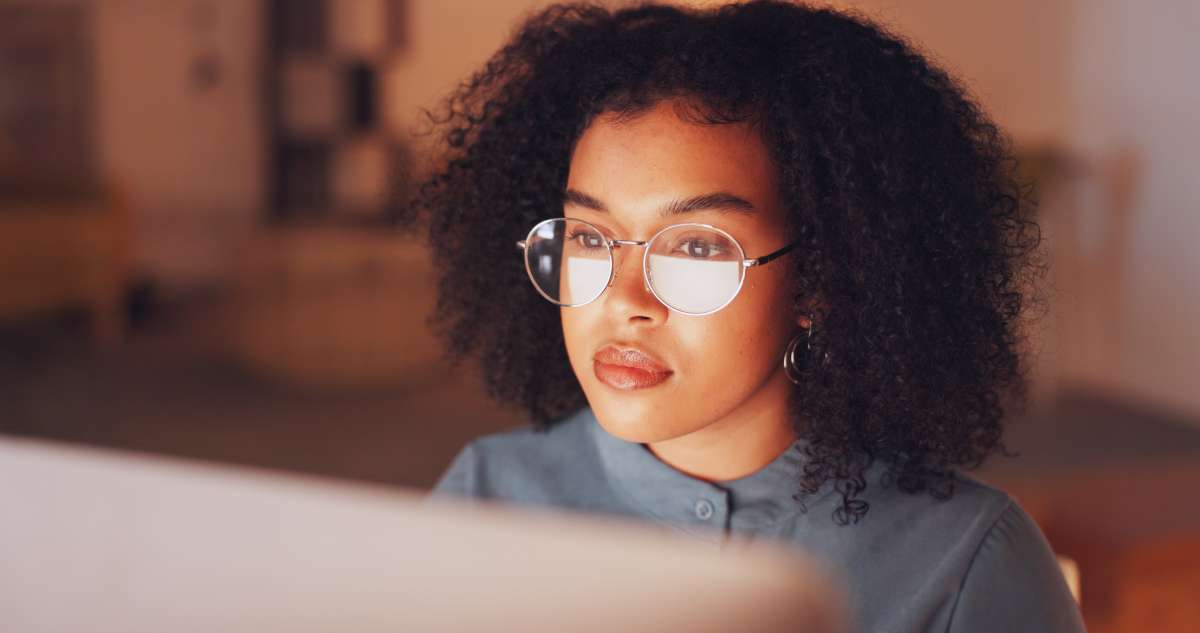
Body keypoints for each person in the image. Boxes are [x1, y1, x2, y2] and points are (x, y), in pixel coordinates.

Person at [404, 2, 1085, 632]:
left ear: (819, 278)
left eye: (696, 246)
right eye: (588, 236)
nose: (625, 301)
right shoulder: (486, 495)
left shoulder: (965, 563)